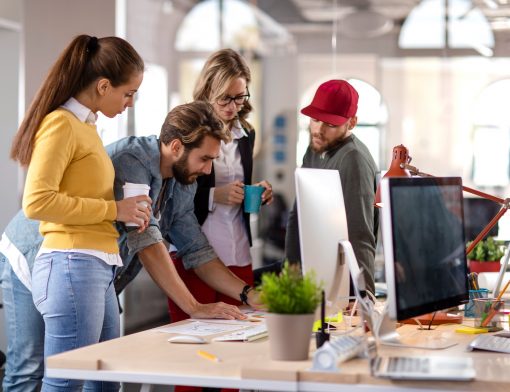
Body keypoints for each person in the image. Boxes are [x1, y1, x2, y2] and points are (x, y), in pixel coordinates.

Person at [1, 101, 261, 391]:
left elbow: (196, 249)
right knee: (31, 367)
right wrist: (194, 307)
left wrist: (248, 294)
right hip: (32, 255)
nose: (208, 169)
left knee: (101, 372)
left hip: (91, 268)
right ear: (176, 147)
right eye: (204, 159)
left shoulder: (182, 180)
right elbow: (145, 239)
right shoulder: (131, 159)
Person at [9, 34, 152, 392]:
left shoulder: (86, 127)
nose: (130, 103)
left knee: (105, 381)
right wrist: (113, 209)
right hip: (73, 262)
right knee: (66, 383)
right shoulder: (61, 125)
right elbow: (37, 202)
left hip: (98, 263)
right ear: (104, 85)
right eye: (128, 93)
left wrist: (123, 212)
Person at [167, 48, 273, 323]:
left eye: (240, 97)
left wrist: (257, 192)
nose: (232, 106)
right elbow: (173, 197)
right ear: (209, 89)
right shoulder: (186, 127)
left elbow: (241, 182)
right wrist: (216, 195)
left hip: (237, 247)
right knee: (196, 334)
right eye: (225, 98)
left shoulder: (246, 132)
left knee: (241, 333)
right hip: (195, 249)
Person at [285, 79, 379, 296]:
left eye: (330, 124)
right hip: (315, 271)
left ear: (352, 123)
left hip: (343, 283)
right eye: (315, 120)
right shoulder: (314, 149)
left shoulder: (353, 159)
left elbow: (360, 235)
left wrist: (365, 297)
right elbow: (297, 215)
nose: (318, 130)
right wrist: (291, 272)